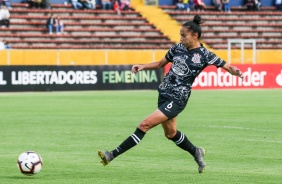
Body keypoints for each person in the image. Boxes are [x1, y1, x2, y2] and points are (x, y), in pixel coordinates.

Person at [98, 15, 244, 173]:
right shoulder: (177, 48)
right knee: (171, 133)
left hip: (177, 98)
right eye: (180, 35)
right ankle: (196, 151)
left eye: (183, 35)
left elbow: (228, 66)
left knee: (144, 125)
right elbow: (161, 63)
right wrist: (143, 66)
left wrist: (236, 72)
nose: (180, 38)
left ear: (194, 35)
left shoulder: (204, 55)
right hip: (164, 94)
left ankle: (111, 155)